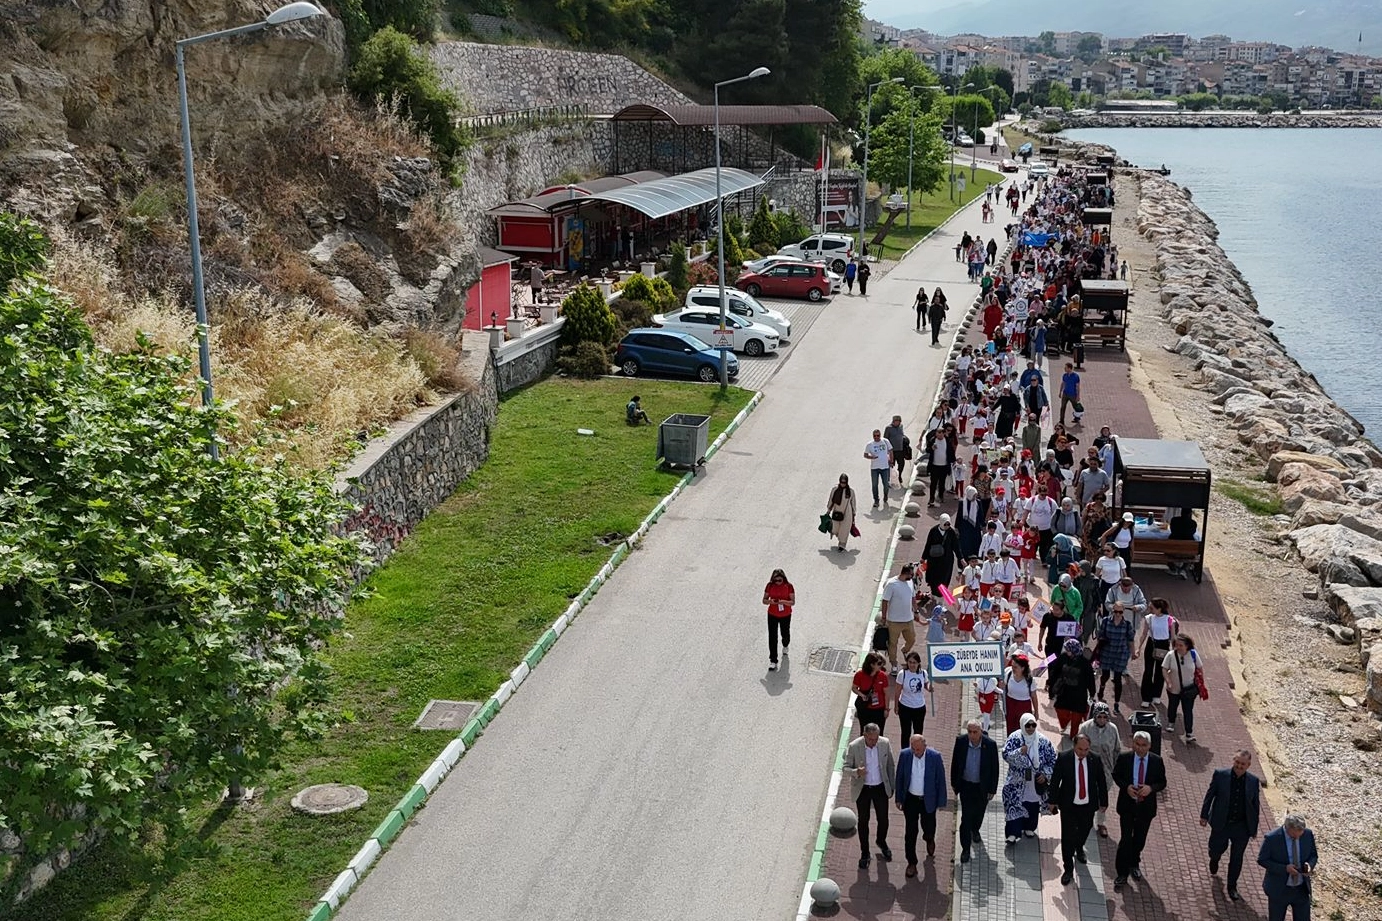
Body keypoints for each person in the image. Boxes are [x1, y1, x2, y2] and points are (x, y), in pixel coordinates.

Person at [1202, 749, 1263, 902]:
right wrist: (1204, 815)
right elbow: (1210, 796)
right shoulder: (1220, 775)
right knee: (1216, 849)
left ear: (1248, 765)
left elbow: (1255, 806)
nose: (1239, 766)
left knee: (1237, 858)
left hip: (1242, 827)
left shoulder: (1253, 781)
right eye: (1237, 762)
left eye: (1243, 764)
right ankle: (1214, 859)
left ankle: (1232, 886)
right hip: (1221, 823)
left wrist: (1253, 828)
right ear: (1233, 760)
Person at [1047, 733, 1108, 885]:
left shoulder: (1095, 759)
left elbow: (1101, 781)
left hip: (1088, 805)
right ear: (1074, 746)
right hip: (1069, 805)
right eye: (1080, 749)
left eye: (1086, 750)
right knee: (1067, 837)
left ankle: (1079, 847)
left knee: (1085, 829)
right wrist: (1052, 801)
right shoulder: (1064, 758)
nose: (1083, 753)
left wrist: (1104, 801)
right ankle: (1068, 868)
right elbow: (1055, 781)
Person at [1111, 730, 1167, 890]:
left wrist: (1151, 788)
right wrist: (1126, 787)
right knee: (1125, 839)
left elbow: (1162, 782)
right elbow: (1116, 775)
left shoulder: (1157, 761)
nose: (1140, 748)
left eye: (1144, 745)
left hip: (1146, 808)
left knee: (1139, 839)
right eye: (1137, 744)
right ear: (1132, 744)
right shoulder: (1125, 758)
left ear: (1149, 746)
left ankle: (1134, 863)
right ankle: (1121, 873)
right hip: (1127, 806)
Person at [843, 723, 896, 869]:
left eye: (876, 738)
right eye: (871, 739)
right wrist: (856, 772)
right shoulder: (854, 746)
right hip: (863, 789)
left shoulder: (884, 743)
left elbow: (890, 765)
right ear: (864, 735)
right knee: (863, 821)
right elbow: (845, 768)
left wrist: (892, 786)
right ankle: (864, 853)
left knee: (883, 819)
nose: (874, 742)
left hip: (880, 787)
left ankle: (881, 841)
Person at [895, 733, 947, 876]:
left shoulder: (935, 757)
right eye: (913, 749)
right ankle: (911, 862)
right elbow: (899, 777)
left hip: (927, 800)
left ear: (925, 746)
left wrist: (942, 801)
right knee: (910, 832)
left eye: (918, 749)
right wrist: (899, 798)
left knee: (929, 826)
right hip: (910, 799)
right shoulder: (905, 755)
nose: (916, 752)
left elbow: (940, 779)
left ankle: (929, 838)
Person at [1002, 712, 1057, 844]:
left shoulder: (1043, 741)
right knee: (1014, 804)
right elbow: (1006, 755)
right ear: (1022, 725)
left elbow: (1053, 760)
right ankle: (1012, 833)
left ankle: (1029, 827)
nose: (1031, 728)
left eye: (1033, 725)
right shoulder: (1015, 738)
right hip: (1017, 781)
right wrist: (1019, 752)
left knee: (1032, 805)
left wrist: (1045, 774)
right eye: (1028, 725)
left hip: (1035, 782)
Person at [951, 719, 1000, 863]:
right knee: (965, 818)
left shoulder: (990, 745)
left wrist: (992, 789)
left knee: (979, 813)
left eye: (975, 732)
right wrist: (954, 783)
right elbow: (955, 763)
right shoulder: (961, 742)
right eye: (970, 732)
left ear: (981, 731)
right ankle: (965, 848)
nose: (972, 735)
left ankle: (975, 829)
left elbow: (995, 769)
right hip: (966, 786)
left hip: (982, 787)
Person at [1258, 815, 1317, 921]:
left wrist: (1309, 866)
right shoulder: (1272, 838)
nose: (1298, 837)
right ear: (1288, 828)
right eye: (1294, 835)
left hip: (1301, 889)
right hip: (1279, 890)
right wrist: (1284, 868)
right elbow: (1262, 860)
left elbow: (1313, 855)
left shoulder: (1308, 834)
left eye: (1300, 834)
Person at [1078, 702, 1121, 839]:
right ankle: (1086, 818)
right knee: (1088, 793)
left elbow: (1117, 750)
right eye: (1099, 717)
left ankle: (1101, 822)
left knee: (1103, 796)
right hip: (1089, 768)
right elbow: (1078, 747)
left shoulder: (1113, 729)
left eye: (1104, 717)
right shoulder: (1085, 728)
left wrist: (1115, 767)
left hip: (1106, 769)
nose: (1102, 720)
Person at [1048, 637, 1096, 742]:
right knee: (1060, 710)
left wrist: (1092, 693)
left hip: (1079, 694)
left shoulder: (1084, 663)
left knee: (1076, 719)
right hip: (1064, 692)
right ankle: (1065, 723)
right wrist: (1050, 683)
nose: (1066, 652)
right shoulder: (1063, 657)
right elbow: (1055, 671)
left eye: (1068, 650)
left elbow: (1090, 679)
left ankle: (1073, 736)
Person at [1094, 602, 1137, 710]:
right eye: (1116, 611)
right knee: (1105, 675)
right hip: (1107, 652)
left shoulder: (1127, 624)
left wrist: (1133, 653)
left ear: (1123, 612)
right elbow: (1100, 635)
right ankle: (1101, 689)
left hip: (1120, 653)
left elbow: (1130, 640)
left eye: (1120, 612)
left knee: (1117, 678)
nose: (1118, 614)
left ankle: (1116, 703)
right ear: (1112, 611)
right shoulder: (1106, 621)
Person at [1163, 633, 1204, 743]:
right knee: (1172, 706)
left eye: (1181, 645)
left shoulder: (1193, 654)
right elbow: (1164, 669)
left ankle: (1189, 733)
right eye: (1176, 645)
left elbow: (1199, 668)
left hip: (1189, 689)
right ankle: (1171, 722)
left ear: (1187, 646)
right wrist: (1168, 681)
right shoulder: (1171, 655)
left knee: (1188, 710)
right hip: (1174, 688)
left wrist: (1201, 684)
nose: (1178, 647)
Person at [881, 564, 919, 666]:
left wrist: (916, 611)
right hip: (894, 621)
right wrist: (884, 617)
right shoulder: (892, 584)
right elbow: (885, 601)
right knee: (893, 643)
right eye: (911, 574)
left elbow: (913, 598)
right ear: (905, 573)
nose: (912, 576)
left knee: (911, 639)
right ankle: (893, 663)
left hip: (908, 619)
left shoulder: (910, 582)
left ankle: (905, 650)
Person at [762, 568, 794, 672]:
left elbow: (792, 602)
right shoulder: (769, 586)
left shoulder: (789, 586)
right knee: (772, 636)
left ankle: (785, 644)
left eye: (779, 580)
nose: (777, 582)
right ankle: (773, 660)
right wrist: (771, 601)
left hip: (785, 614)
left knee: (785, 633)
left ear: (783, 579)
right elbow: (764, 600)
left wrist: (782, 601)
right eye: (775, 580)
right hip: (772, 614)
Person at [895, 652, 932, 742]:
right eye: (910, 662)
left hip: (919, 707)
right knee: (905, 733)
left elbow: (926, 685)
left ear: (918, 663)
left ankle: (917, 751)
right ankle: (905, 753)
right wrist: (896, 706)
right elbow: (897, 691)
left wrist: (930, 687)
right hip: (905, 707)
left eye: (914, 662)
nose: (912, 664)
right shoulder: (902, 674)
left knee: (918, 733)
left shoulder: (923, 673)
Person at [921, 514, 962, 593]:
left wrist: (961, 558)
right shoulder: (933, 531)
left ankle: (942, 594)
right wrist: (923, 557)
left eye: (948, 524)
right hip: (934, 559)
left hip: (946, 560)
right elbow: (928, 544)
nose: (947, 526)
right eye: (945, 524)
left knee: (944, 578)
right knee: (934, 576)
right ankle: (934, 593)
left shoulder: (951, 532)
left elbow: (956, 546)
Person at [1002, 654, 1039, 735]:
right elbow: (1003, 686)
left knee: (1023, 730)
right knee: (1011, 730)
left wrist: (1036, 711)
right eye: (1012, 666)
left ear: (1023, 668)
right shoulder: (1008, 673)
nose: (1013, 668)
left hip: (1024, 707)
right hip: (1010, 706)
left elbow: (1034, 696)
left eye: (1015, 667)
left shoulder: (1030, 680)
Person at [852, 653, 890, 732]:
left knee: (879, 732)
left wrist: (886, 709)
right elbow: (854, 688)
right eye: (879, 664)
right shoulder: (860, 675)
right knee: (864, 731)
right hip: (865, 708)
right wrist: (862, 695)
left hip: (879, 708)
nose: (881, 666)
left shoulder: (883, 676)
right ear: (872, 665)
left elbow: (887, 694)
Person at [923, 423, 958, 508]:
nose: (939, 436)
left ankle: (941, 496)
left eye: (941, 434)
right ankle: (931, 499)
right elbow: (927, 450)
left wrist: (953, 460)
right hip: (934, 466)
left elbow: (951, 451)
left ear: (943, 433)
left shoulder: (947, 441)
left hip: (944, 466)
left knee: (942, 483)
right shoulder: (932, 440)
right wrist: (931, 448)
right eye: (938, 434)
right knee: (933, 483)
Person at [826, 473, 858, 552]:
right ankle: (837, 535)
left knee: (844, 529)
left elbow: (853, 503)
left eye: (844, 482)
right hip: (837, 511)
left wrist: (854, 513)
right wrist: (828, 510)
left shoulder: (850, 492)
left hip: (847, 513)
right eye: (841, 482)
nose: (842, 484)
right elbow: (831, 500)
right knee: (835, 528)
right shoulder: (835, 490)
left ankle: (842, 545)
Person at [865, 428, 894, 508]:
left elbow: (891, 451)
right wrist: (871, 457)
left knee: (885, 484)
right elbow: (865, 455)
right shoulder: (870, 444)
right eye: (875, 436)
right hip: (874, 468)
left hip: (885, 467)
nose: (876, 437)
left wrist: (891, 461)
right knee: (874, 485)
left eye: (878, 435)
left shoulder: (885, 441)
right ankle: (876, 500)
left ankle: (885, 496)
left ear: (880, 435)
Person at [883, 415, 909, 482]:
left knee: (901, 464)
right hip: (892, 451)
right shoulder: (888, 428)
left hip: (900, 450)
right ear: (893, 421)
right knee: (892, 465)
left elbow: (902, 435)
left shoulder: (901, 426)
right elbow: (885, 439)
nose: (897, 423)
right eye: (896, 421)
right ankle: (892, 478)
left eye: (899, 421)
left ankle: (899, 475)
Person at [1058, 362, 1081, 426]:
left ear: (1069, 368)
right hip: (1065, 393)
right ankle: (1061, 420)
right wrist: (1060, 392)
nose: (1064, 369)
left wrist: (1078, 396)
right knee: (1063, 407)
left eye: (1066, 368)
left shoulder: (1076, 376)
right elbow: (1063, 383)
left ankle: (1077, 417)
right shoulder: (1065, 375)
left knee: (1075, 406)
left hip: (1073, 394)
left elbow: (1077, 386)